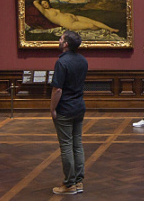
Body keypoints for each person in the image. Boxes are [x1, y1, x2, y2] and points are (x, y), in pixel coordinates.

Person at [49, 29, 88, 195]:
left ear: (65, 44)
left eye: (61, 38)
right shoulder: (83, 60)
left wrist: (52, 109)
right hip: (79, 106)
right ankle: (79, 182)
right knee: (77, 144)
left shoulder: (61, 63)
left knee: (66, 145)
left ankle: (69, 184)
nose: (58, 40)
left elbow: (57, 89)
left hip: (65, 109)